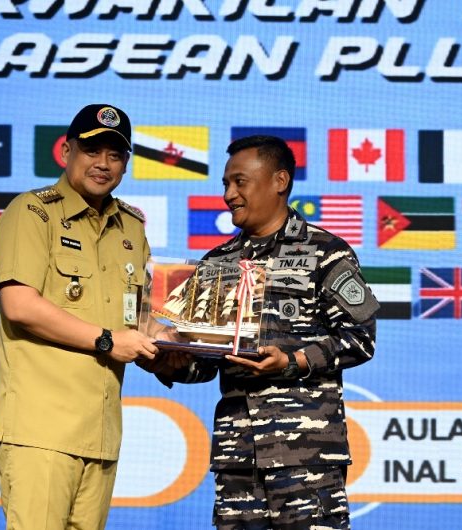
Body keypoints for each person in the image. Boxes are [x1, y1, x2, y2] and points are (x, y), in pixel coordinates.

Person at [148, 135, 379, 529]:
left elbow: (361, 337)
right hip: (238, 458)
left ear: (279, 181)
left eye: (240, 182)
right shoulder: (217, 263)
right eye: (225, 184)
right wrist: (162, 359)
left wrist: (292, 361)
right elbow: (204, 364)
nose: (228, 194)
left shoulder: (326, 251)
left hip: (306, 457)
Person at [0, 103, 159, 530]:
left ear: (126, 164)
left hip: (101, 434)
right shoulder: (33, 212)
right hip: (40, 431)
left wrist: (194, 342)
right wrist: (107, 340)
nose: (103, 164)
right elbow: (20, 305)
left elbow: (140, 321)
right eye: (92, 151)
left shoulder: (131, 227)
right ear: (67, 151)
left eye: (115, 155)